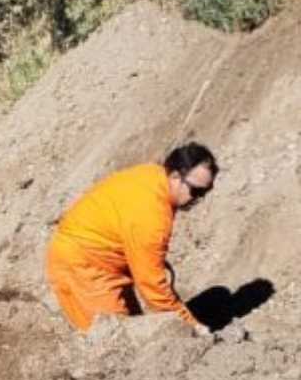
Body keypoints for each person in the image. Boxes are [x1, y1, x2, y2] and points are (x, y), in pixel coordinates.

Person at [46, 143, 218, 334]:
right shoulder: (152, 215)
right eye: (195, 191)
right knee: (111, 339)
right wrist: (192, 326)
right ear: (175, 176)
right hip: (85, 267)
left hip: (96, 258)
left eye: (204, 192)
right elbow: (152, 287)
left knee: (131, 327)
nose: (197, 199)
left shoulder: (152, 174)